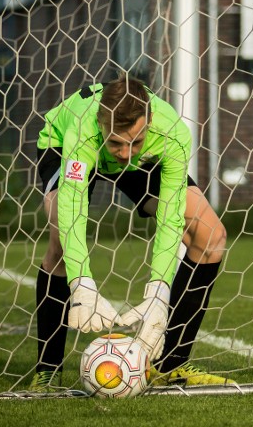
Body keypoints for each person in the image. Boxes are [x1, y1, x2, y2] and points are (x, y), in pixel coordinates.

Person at [29, 74, 230, 391]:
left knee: (210, 236)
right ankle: (47, 370)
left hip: (145, 161)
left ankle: (170, 365)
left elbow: (170, 217)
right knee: (60, 238)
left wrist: (158, 295)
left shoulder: (172, 133)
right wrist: (82, 284)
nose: (125, 153)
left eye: (135, 141)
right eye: (117, 143)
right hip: (62, 145)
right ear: (101, 125)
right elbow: (71, 210)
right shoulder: (83, 130)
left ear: (149, 121)